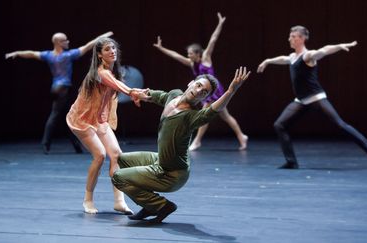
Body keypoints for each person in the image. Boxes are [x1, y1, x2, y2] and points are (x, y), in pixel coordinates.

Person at [112, 67, 251, 223]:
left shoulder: (191, 117)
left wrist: (231, 91)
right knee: (123, 159)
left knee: (119, 178)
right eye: (198, 86)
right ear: (191, 83)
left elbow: (212, 111)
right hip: (161, 161)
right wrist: (138, 94)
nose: (199, 91)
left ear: (204, 98)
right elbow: (157, 96)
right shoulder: (174, 95)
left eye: (204, 92)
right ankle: (149, 204)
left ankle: (162, 206)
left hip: (172, 174)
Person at [257, 25, 367, 169]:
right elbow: (283, 59)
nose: (289, 39)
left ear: (302, 39)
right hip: (301, 100)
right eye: (290, 36)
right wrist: (267, 61)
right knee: (279, 125)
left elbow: (323, 51)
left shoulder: (307, 56)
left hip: (316, 98)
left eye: (293, 36)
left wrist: (339, 46)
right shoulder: (292, 57)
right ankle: (291, 161)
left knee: (340, 125)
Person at [66, 37, 150, 214]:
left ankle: (119, 201)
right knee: (100, 155)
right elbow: (119, 86)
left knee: (116, 155)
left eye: (113, 48)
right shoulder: (101, 72)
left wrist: (133, 92)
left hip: (99, 119)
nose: (112, 51)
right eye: (107, 49)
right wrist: (133, 92)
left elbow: (117, 86)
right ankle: (87, 199)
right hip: (82, 120)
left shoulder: (112, 72)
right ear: (99, 54)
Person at [5, 31, 113, 154]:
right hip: (63, 88)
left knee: (67, 117)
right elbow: (88, 46)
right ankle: (46, 143)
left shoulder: (49, 55)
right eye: (65, 40)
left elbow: (31, 53)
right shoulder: (68, 55)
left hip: (55, 88)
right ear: (58, 43)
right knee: (56, 114)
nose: (68, 42)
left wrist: (16, 53)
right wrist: (101, 37)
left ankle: (76, 145)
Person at [153, 12, 248, 151]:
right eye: (188, 54)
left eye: (191, 53)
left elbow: (213, 39)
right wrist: (162, 48)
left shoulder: (205, 58)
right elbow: (176, 56)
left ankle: (197, 141)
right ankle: (242, 136)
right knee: (225, 115)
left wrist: (220, 24)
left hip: (212, 90)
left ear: (198, 53)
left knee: (205, 112)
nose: (188, 55)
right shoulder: (191, 63)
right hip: (202, 90)